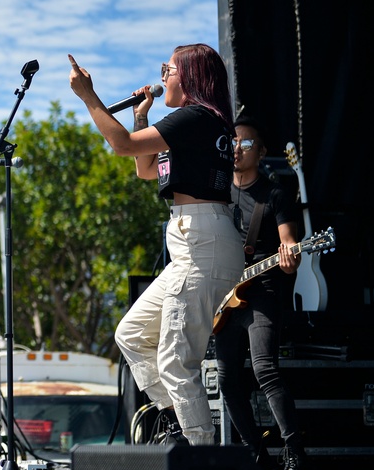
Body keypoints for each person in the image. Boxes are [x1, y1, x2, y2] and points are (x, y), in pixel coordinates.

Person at [68, 44, 243, 446]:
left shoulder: (196, 118)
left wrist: (88, 97)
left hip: (202, 243)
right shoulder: (197, 124)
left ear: (191, 77)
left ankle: (201, 455)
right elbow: (146, 170)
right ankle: (182, 425)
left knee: (175, 361)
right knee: (131, 335)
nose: (164, 75)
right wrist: (141, 114)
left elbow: (124, 145)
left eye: (170, 68)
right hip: (194, 244)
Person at [215, 114, 307, 470]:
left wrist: (290, 256)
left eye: (247, 143)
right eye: (233, 142)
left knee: (265, 369)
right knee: (226, 378)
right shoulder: (217, 191)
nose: (238, 148)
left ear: (262, 151)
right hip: (224, 296)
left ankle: (295, 454)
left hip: (262, 292)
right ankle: (256, 454)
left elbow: (289, 246)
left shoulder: (274, 193)